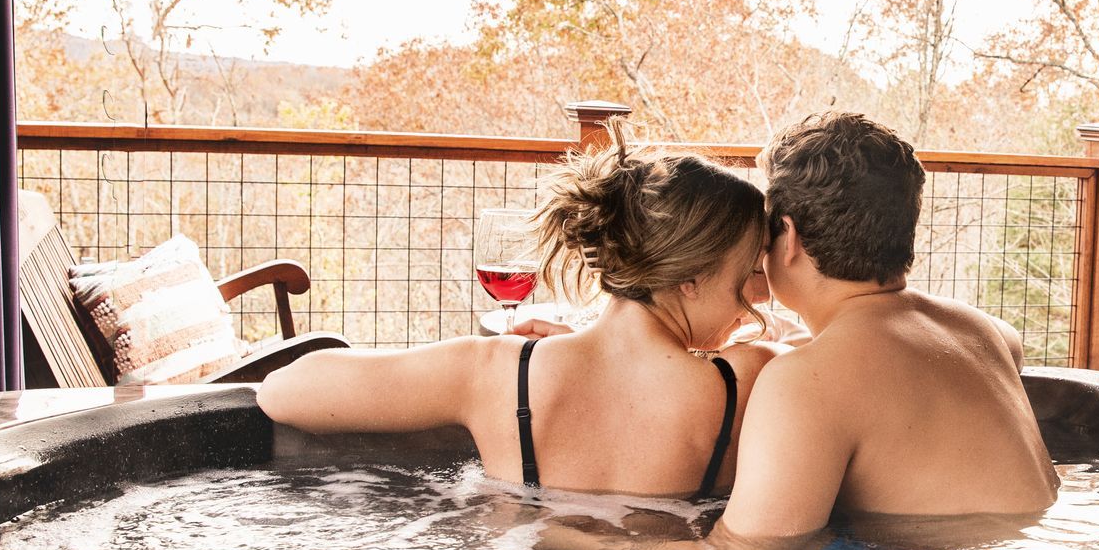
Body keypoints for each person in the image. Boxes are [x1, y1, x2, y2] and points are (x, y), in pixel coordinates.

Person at [530, 111, 1058, 550]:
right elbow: (872, 366)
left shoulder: (807, 381)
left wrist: (564, 536)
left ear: (789, 235)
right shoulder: (989, 334)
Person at [258, 127, 780, 496]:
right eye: (750, 273)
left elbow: (282, 392)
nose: (759, 296)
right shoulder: (753, 378)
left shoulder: (498, 373)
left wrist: (553, 350)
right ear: (690, 277)